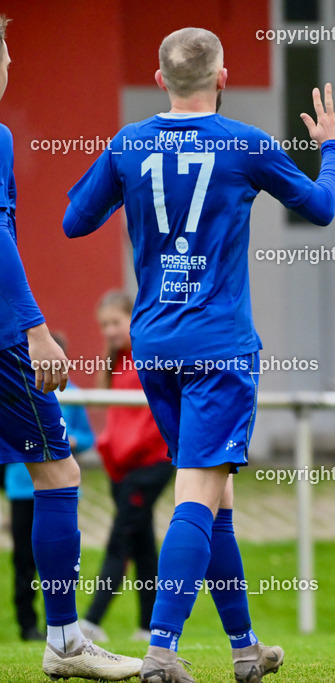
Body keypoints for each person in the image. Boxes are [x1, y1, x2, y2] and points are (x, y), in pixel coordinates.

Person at [62, 27, 335, 683]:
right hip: (219, 345)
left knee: (212, 493)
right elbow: (324, 206)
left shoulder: (129, 143)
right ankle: (161, 652)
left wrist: (113, 168)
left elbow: (74, 221)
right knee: (200, 486)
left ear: (162, 80)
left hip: (155, 342)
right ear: (223, 78)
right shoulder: (246, 144)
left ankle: (246, 648)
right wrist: (333, 147)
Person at [0, 14, 142, 681]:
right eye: (4, 46)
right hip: (4, 342)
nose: (9, 59)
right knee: (57, 467)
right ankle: (64, 640)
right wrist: (35, 329)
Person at [79, 290, 174, 644]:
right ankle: (149, 625)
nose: (109, 331)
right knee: (142, 543)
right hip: (121, 467)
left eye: (116, 322)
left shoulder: (151, 353)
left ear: (132, 319)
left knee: (120, 540)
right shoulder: (116, 361)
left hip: (150, 462)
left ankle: (91, 620)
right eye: (104, 325)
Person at [6, 340, 95, 644]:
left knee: (60, 559)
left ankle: (56, 625)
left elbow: (86, 437)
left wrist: (71, 441)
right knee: (23, 560)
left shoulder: (73, 394)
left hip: (61, 488)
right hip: (21, 488)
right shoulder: (16, 389)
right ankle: (26, 625)